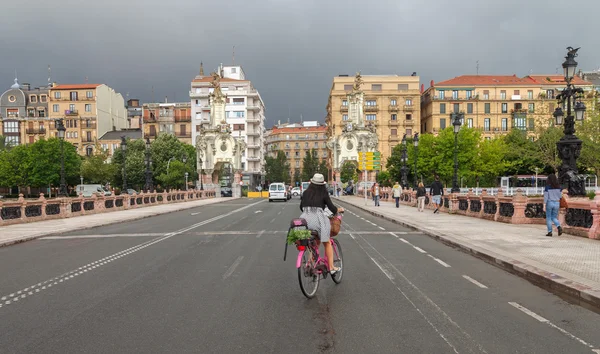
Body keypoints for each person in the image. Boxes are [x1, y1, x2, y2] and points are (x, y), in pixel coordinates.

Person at [300, 173, 344, 274]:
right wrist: (338, 210)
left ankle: (311, 262)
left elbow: (301, 207)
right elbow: (332, 209)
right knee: (327, 242)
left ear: (311, 182)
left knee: (315, 242)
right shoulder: (323, 193)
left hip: (304, 220)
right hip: (318, 220)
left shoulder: (306, 193)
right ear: (322, 184)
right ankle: (332, 267)